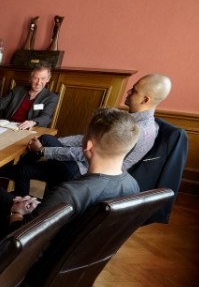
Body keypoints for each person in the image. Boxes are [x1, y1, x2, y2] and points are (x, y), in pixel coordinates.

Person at [0, 108, 141, 275]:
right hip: (70, 260)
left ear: (88, 146)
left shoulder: (68, 193)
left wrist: (18, 212)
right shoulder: (133, 186)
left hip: (37, 262)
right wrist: (43, 207)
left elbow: (23, 239)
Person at [9, 73, 172, 196]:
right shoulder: (139, 122)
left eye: (134, 91)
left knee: (44, 140)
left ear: (145, 99)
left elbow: (89, 152)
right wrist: (59, 142)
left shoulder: (134, 128)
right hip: (83, 165)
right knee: (24, 169)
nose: (128, 92)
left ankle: (10, 171)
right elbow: (86, 140)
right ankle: (20, 202)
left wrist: (44, 151)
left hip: (86, 174)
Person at [0, 62, 58, 130]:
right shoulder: (18, 90)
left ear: (48, 79)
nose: (39, 82)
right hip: (9, 128)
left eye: (43, 79)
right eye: (36, 78)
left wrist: (32, 122)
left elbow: (46, 117)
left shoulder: (51, 97)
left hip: (30, 130)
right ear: (30, 78)